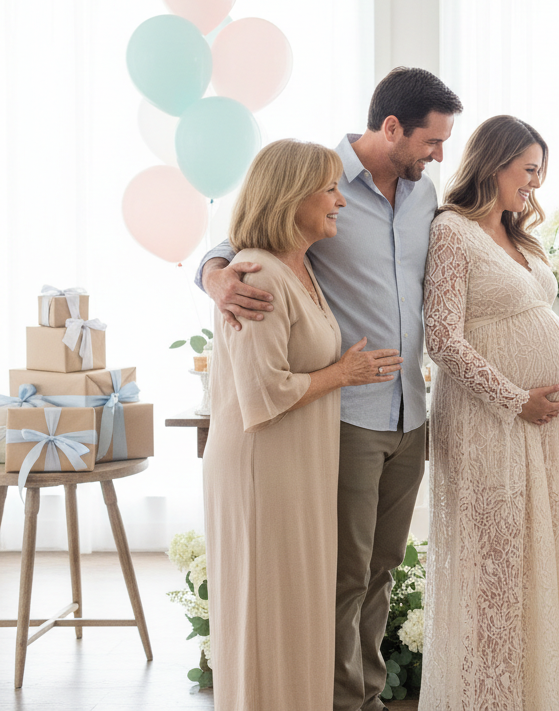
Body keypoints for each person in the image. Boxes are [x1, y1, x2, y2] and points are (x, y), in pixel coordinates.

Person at [196, 67, 463, 711]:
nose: (439, 156)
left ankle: (362, 693)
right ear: (391, 127)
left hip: (410, 412)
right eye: (431, 141)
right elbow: (239, 242)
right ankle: (338, 700)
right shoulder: (315, 184)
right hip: (343, 414)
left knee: (380, 572)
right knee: (342, 572)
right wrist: (213, 279)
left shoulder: (425, 196)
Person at [203, 139, 403, 711]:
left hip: (294, 466)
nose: (341, 200)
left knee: (293, 612)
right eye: (330, 190)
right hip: (262, 469)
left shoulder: (300, 265)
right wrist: (346, 372)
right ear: (293, 199)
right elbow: (263, 395)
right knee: (268, 615)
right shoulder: (257, 275)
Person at [422, 114, 559, 709]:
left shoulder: (521, 238)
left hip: (540, 430)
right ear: (495, 164)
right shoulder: (452, 232)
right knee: (491, 571)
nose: (535, 184)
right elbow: (442, 337)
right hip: (488, 424)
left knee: (534, 566)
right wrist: (516, 400)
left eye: (540, 173)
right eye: (529, 170)